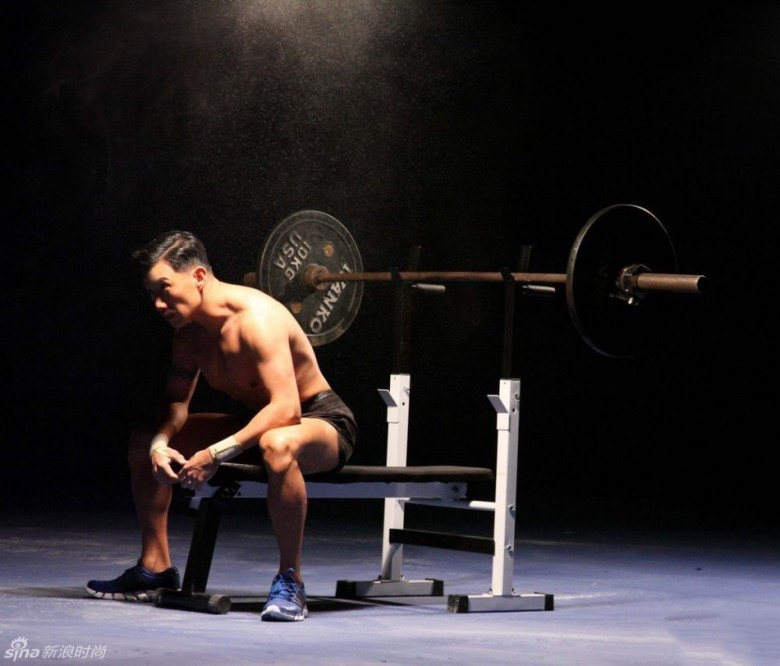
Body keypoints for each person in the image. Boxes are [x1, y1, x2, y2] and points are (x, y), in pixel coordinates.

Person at [86, 230, 357, 622]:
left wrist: (215, 453)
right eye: (152, 294)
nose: (159, 304)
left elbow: (287, 408)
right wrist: (160, 445)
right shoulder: (189, 336)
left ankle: (291, 580)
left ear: (198, 276)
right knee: (144, 440)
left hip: (319, 420)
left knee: (278, 443)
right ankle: (155, 565)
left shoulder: (257, 319)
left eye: (165, 289)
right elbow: (177, 402)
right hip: (260, 423)